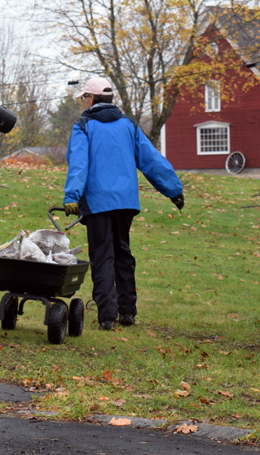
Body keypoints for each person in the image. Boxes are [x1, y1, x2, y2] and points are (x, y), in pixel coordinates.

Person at [63, 77, 184, 330]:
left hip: (97, 203)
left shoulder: (84, 126)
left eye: (85, 97)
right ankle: (127, 311)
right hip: (125, 203)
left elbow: (79, 164)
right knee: (122, 252)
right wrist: (173, 190)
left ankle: (107, 316)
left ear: (91, 99)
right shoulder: (129, 125)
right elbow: (151, 159)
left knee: (102, 255)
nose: (84, 101)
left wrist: (72, 196)